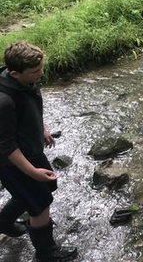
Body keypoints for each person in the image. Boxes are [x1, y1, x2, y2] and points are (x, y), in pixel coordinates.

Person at [0, 42, 78, 261]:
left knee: (45, 187)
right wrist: (33, 172)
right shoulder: (4, 101)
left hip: (31, 151)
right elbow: (6, 147)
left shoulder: (27, 82)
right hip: (12, 162)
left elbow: (32, 108)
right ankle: (46, 253)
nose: (41, 73)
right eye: (35, 71)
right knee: (40, 203)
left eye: (41, 67)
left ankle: (4, 221)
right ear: (14, 73)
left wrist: (42, 129)